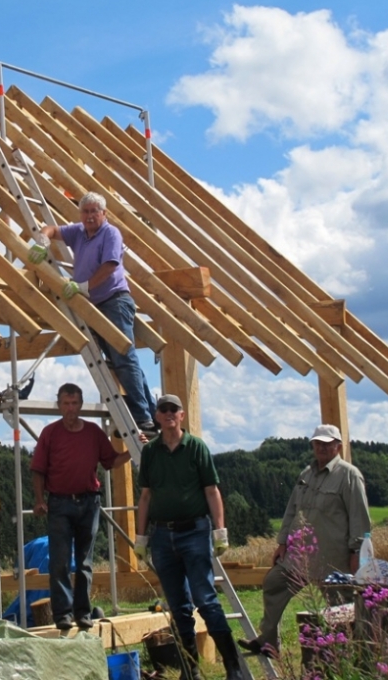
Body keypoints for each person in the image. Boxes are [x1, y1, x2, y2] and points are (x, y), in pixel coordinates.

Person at [238, 423, 372, 659]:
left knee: (339, 608)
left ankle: (344, 655)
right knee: (273, 583)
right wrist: (282, 543)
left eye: (328, 443)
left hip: (334, 558)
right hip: (299, 555)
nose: (322, 447)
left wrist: (357, 553)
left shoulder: (349, 475)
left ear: (338, 447)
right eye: (318, 443)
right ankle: (269, 643)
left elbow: (359, 517)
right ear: (312, 445)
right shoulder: (305, 475)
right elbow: (292, 511)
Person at [27, 192, 157, 432]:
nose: (89, 216)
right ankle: (149, 413)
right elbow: (52, 229)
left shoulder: (110, 233)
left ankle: (143, 416)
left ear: (103, 214)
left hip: (114, 301)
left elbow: (110, 265)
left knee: (124, 358)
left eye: (94, 212)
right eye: (85, 212)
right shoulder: (80, 232)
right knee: (120, 362)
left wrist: (84, 287)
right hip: (95, 305)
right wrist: (43, 241)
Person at [134, 393, 243, 680]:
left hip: (194, 531)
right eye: (164, 409)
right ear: (157, 416)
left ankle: (232, 666)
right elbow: (145, 497)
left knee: (205, 599)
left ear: (182, 415)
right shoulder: (151, 453)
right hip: (162, 535)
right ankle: (189, 669)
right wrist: (141, 537)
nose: (169, 413)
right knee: (178, 606)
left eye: (174, 409)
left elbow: (211, 491)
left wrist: (220, 531)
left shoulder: (196, 448)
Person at [31, 382, 131, 632]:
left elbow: (111, 461)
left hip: (89, 501)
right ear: (59, 405)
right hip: (59, 503)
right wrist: (39, 500)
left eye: (74, 403)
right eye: (66, 403)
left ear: (81, 404)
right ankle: (62, 614)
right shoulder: (50, 433)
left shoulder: (94, 433)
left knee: (85, 562)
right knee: (60, 561)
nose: (70, 408)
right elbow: (38, 470)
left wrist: (133, 451)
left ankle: (83, 613)